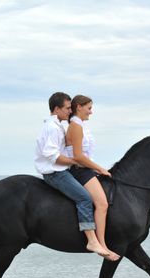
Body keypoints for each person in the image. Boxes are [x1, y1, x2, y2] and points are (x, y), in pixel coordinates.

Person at [34, 92, 117, 261]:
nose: (69, 111)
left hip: (63, 169)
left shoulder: (60, 125)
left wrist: (80, 162)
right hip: (55, 172)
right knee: (84, 198)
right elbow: (52, 155)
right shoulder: (54, 127)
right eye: (66, 108)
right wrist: (80, 163)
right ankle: (92, 241)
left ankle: (99, 242)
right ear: (56, 109)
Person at [64, 95, 120, 261]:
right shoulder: (75, 126)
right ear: (79, 107)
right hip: (80, 171)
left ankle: (101, 243)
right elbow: (78, 157)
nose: (91, 112)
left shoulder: (80, 125)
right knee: (102, 204)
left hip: (86, 169)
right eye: (89, 108)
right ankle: (100, 245)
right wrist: (99, 168)